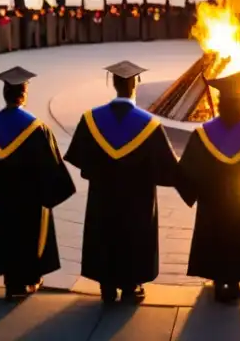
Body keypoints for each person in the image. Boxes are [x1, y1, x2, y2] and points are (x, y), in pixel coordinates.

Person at [64, 61, 179, 304]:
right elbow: (168, 169)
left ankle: (106, 285)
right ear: (135, 84)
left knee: (104, 232)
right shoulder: (149, 124)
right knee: (133, 234)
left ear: (113, 84)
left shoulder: (91, 119)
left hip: (103, 197)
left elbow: (81, 161)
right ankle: (130, 286)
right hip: (137, 200)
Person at [0, 67, 77, 300]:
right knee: (28, 234)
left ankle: (11, 282)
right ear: (24, 93)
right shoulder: (37, 129)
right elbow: (53, 167)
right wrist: (53, 192)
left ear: (5, 93)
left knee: (4, 234)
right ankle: (28, 280)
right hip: (29, 199)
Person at [176, 69, 240, 303]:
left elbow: (185, 172)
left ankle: (218, 279)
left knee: (213, 235)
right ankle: (234, 281)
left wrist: (195, 189)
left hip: (211, 201)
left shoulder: (202, 134)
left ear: (220, 104)